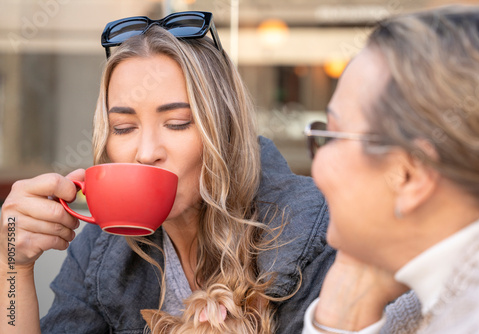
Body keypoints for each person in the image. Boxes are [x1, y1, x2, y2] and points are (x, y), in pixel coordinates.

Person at [0, 11, 335, 334]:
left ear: (225, 131)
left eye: (177, 124)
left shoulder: (308, 230)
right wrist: (12, 267)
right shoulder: (103, 247)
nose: (146, 153)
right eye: (123, 127)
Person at [301, 4, 479, 334]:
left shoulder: (477, 319)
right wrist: (343, 311)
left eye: (332, 135)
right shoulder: (439, 298)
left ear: (410, 175)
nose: (317, 164)